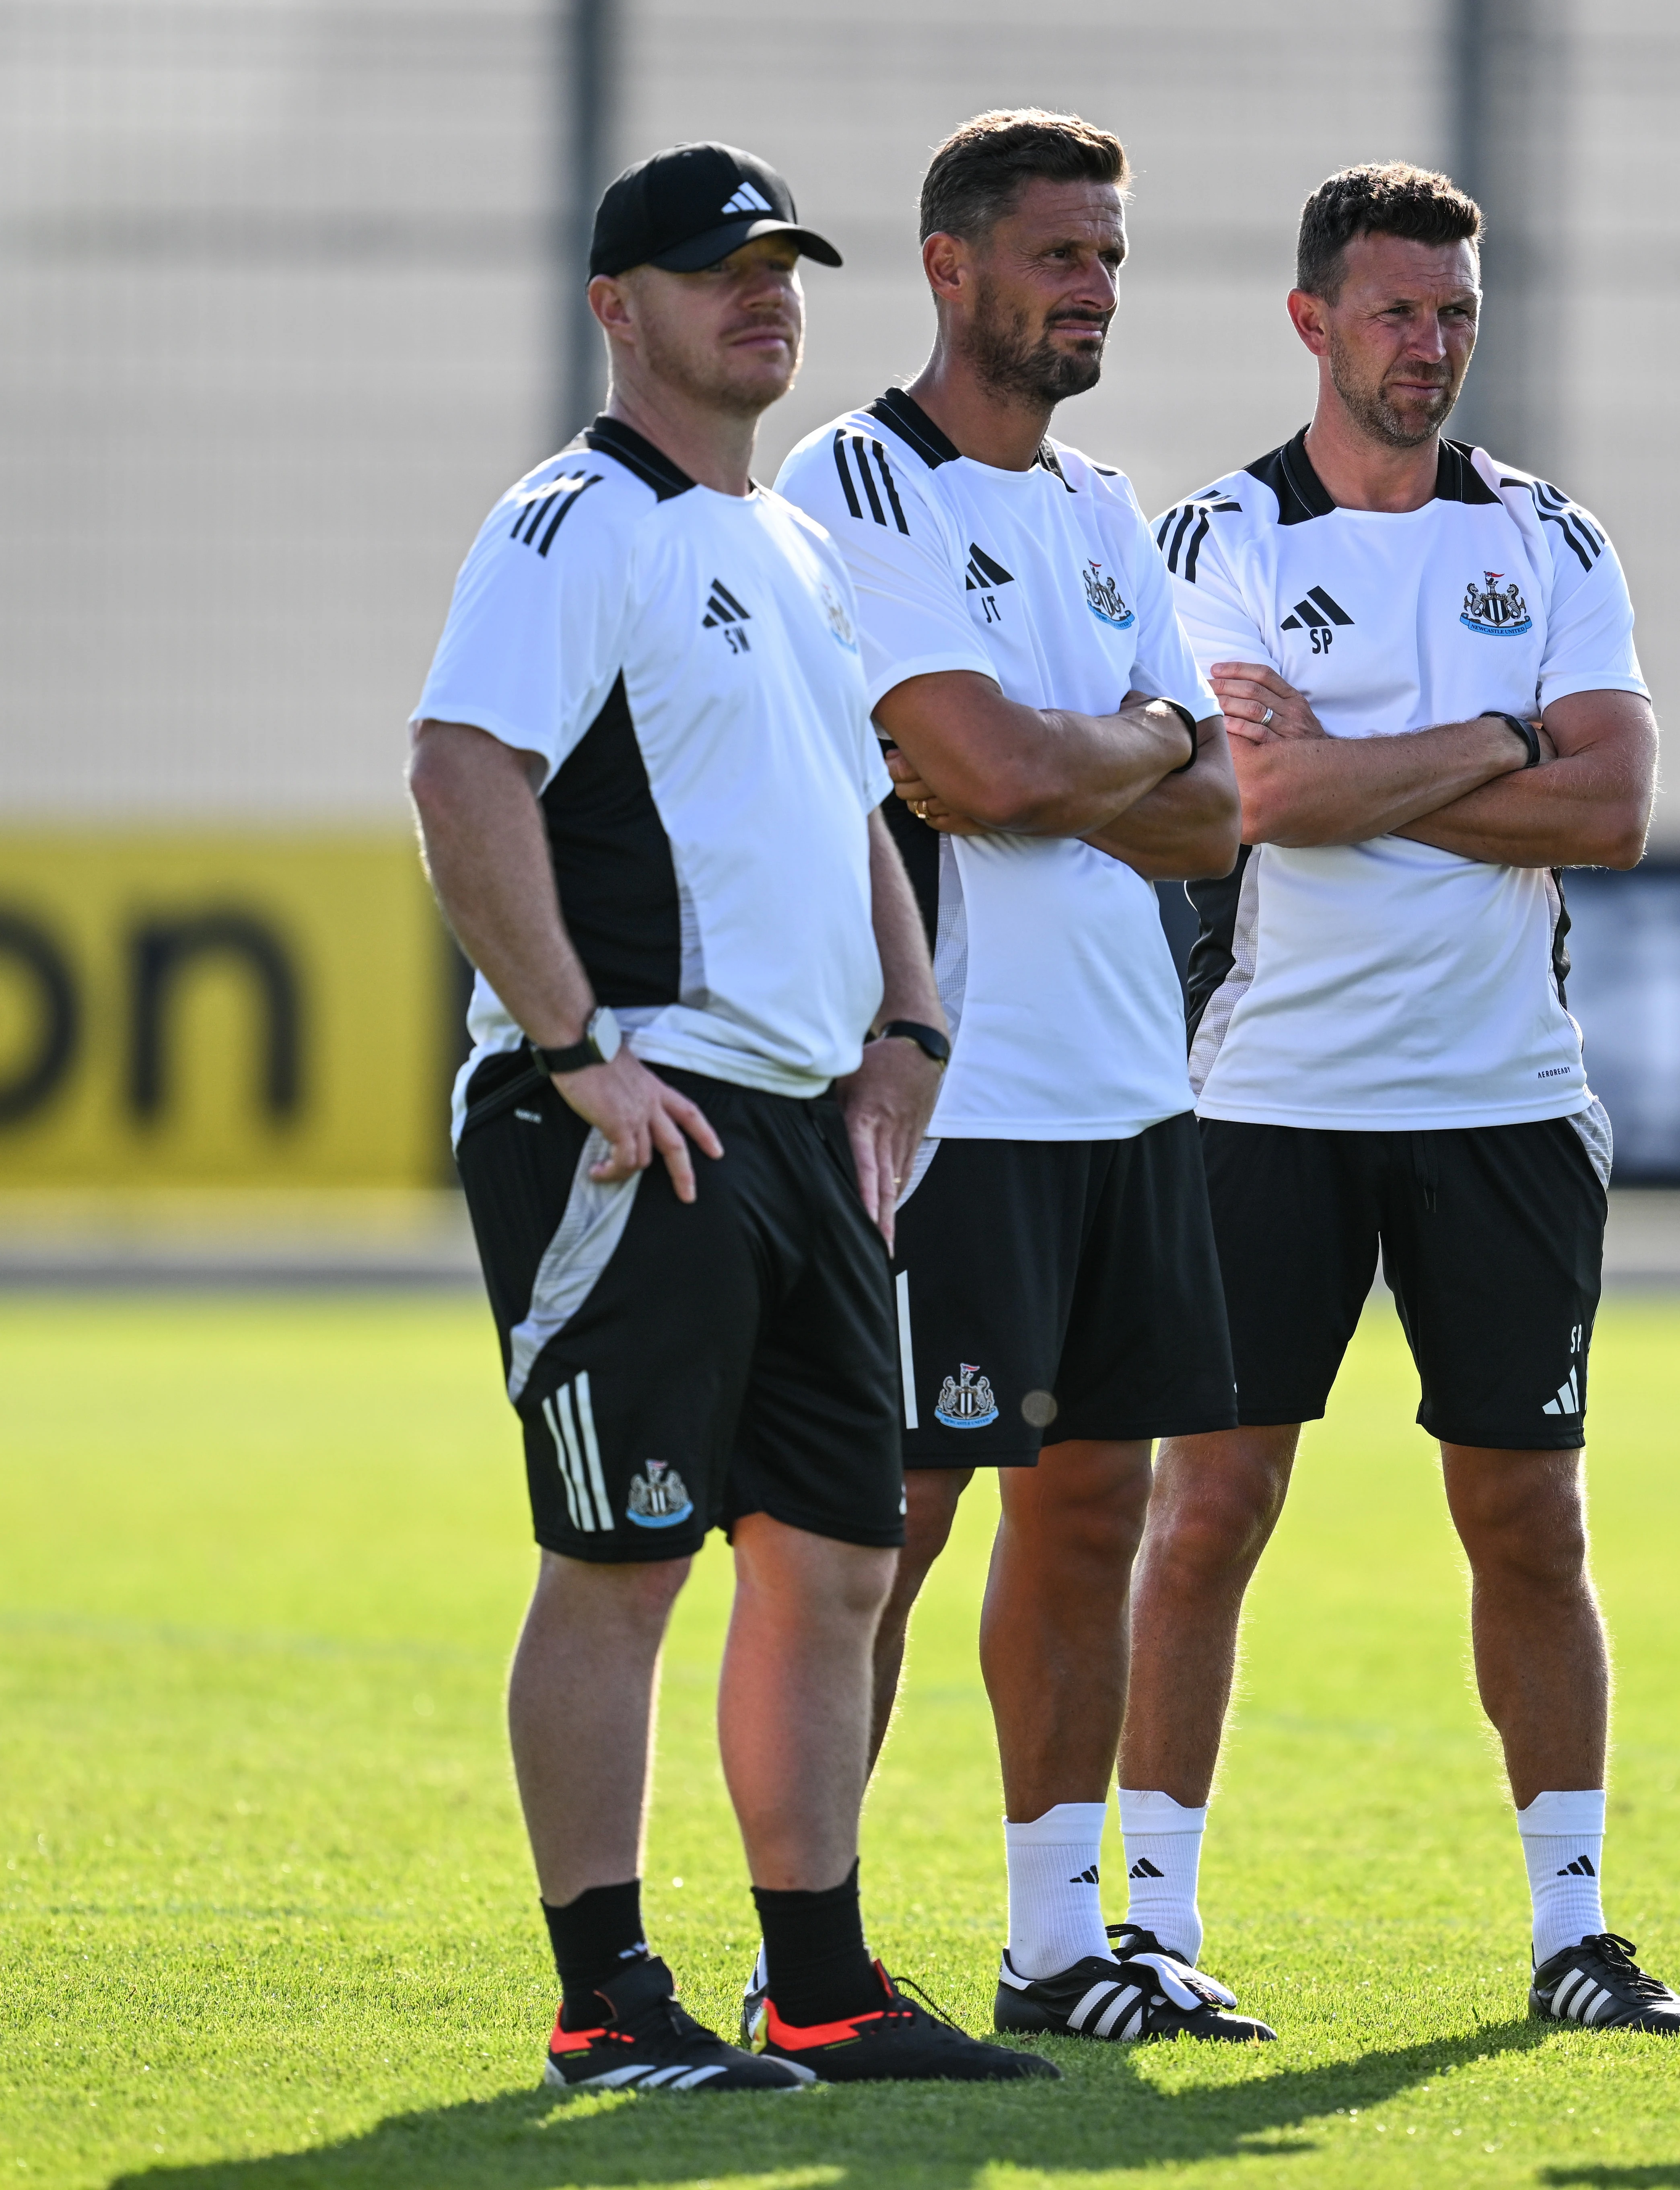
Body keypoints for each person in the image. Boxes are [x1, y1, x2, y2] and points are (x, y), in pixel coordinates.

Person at [408, 140, 1054, 2091]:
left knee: (840, 1560)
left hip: (798, 1118)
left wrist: (913, 1021)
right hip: (637, 1114)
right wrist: (575, 1043)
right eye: (717, 272)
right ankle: (605, 1999)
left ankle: (825, 1986)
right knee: (624, 1557)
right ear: (620, 308)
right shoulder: (567, 522)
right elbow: (461, 773)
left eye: (781, 266)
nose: (763, 297)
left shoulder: (782, 542)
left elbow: (852, 805)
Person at [1117, 163, 1680, 2038]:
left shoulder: (1553, 537)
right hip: (1263, 1095)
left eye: (1455, 312)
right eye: (1395, 312)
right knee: (1211, 1509)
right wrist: (1504, 746)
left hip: (1507, 1101)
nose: (1431, 345)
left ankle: (1575, 1934)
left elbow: (1612, 810)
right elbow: (1257, 800)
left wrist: (1377, 760)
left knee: (1530, 1517)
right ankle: (1146, 1922)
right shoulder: (1215, 534)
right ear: (1312, 322)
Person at [770, 110, 1262, 2045]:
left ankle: (1061, 1948)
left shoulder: (1103, 510)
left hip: (1127, 1091)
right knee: (888, 1530)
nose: (1095, 291)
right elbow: (977, 774)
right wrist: (1131, 740)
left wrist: (1105, 751)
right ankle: (806, 1943)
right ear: (951, 267)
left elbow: (1220, 818)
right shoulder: (856, 484)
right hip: (940, 1101)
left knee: (1093, 1520)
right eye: (1061, 255)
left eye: (1114, 260)